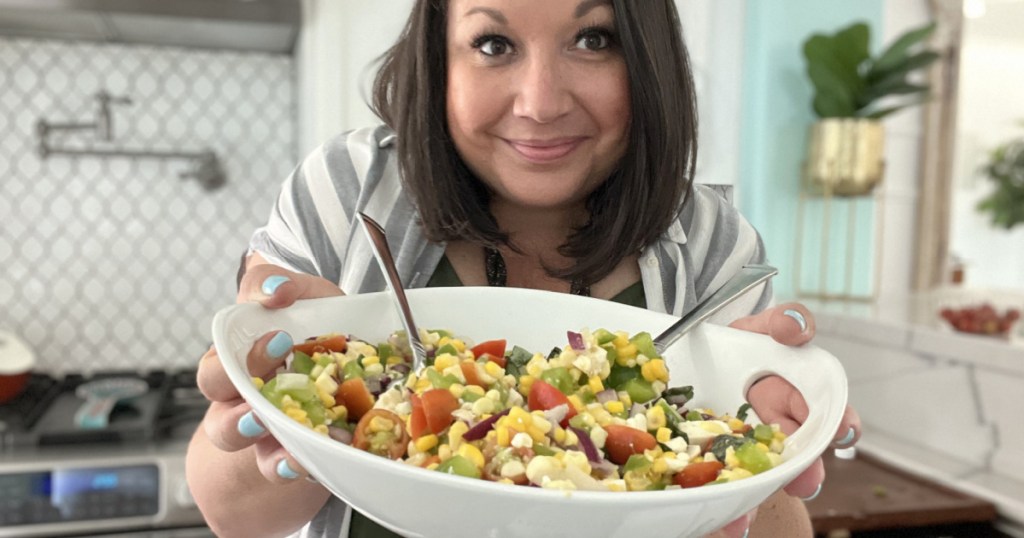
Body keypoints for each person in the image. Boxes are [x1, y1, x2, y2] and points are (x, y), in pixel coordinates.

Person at [186, 1, 862, 537]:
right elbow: (231, 517)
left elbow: (774, 522)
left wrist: (754, 462)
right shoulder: (349, 192)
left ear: (647, 55)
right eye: (493, 44)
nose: (540, 103)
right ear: (439, 58)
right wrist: (313, 402)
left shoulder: (715, 245)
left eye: (593, 38)